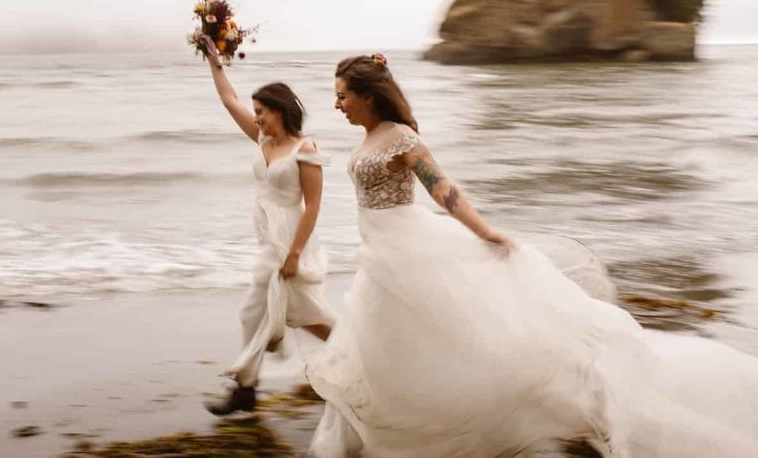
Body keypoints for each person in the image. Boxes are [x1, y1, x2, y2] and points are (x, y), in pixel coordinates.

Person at [305, 53, 758, 457]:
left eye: (342, 95)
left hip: (407, 251)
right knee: (385, 348)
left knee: (434, 340)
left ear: (367, 95)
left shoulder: (400, 137)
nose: (337, 104)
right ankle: (382, 429)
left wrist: (485, 232)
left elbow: (443, 190)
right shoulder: (367, 137)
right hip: (379, 255)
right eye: (336, 96)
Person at [198, 37, 336, 415]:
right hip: (267, 237)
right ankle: (356, 349)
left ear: (279, 110)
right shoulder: (263, 139)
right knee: (303, 315)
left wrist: (293, 254)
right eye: (256, 111)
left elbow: (313, 205)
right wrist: (214, 62)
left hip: (290, 239)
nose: (256, 117)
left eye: (261, 111)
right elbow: (229, 100)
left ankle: (245, 388)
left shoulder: (304, 150)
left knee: (258, 311)